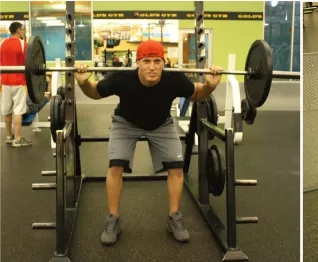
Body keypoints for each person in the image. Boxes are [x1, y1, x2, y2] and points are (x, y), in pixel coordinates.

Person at [74, 40, 223, 245]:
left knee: (176, 168)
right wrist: (83, 82)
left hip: (162, 124)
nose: (152, 67)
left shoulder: (174, 79)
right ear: (138, 63)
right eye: (146, 61)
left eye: (157, 61)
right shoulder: (122, 79)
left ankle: (174, 218)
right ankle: (113, 219)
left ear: (164, 63)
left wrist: (209, 85)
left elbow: (197, 94)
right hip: (125, 123)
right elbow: (95, 93)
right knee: (115, 165)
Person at [0, 22, 32, 147]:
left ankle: (8, 136)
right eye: (23, 29)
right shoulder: (24, 45)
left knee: (6, 110)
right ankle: (17, 139)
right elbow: (30, 64)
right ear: (18, 30)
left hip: (5, 82)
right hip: (19, 82)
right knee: (18, 110)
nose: (24, 32)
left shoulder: (2, 44)